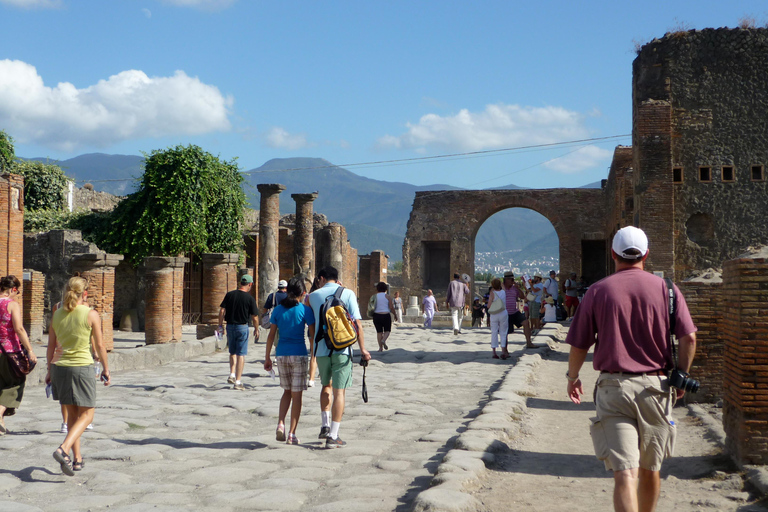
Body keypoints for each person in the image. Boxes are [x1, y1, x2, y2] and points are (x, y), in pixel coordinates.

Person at [566, 226, 697, 512]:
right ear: (646, 254)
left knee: (624, 472)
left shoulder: (597, 291)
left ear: (613, 254)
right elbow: (689, 338)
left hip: (614, 388)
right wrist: (681, 376)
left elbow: (579, 344)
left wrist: (573, 377)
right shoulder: (668, 290)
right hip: (656, 387)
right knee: (651, 469)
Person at [47, 276, 110, 476]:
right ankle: (63, 448)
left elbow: (50, 346)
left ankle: (77, 459)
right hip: (81, 367)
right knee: (88, 414)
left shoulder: (57, 314)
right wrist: (106, 369)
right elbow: (100, 345)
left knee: (73, 416)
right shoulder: (91, 314)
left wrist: (49, 370)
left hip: (59, 368)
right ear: (85, 294)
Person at [308, 266, 371, 448]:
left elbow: (311, 324)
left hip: (321, 349)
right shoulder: (348, 293)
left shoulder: (312, 297)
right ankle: (333, 435)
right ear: (337, 278)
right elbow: (357, 324)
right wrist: (363, 349)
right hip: (342, 349)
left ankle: (325, 425)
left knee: (325, 385)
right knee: (339, 391)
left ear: (321, 278)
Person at [263, 277, 315, 445]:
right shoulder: (305, 311)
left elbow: (271, 336)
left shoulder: (277, 310)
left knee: (286, 391)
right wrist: (314, 355)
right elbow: (312, 336)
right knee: (297, 395)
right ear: (302, 293)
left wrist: (267, 358)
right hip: (299, 354)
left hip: (281, 354)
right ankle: (292, 433)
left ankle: (280, 423)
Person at [0, 275, 37, 436]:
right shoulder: (12, 304)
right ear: (12, 290)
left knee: (1, 385)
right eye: (17, 292)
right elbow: (19, 329)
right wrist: (30, 350)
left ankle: (1, 422)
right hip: (9, 352)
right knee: (16, 383)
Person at [218, 274, 259, 390]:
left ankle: (232, 374)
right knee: (241, 354)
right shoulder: (250, 298)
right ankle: (238, 381)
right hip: (242, 327)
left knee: (232, 351)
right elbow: (255, 317)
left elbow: (222, 311)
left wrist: (220, 325)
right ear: (250, 285)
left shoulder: (230, 295)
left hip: (230, 326)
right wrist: (256, 329)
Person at [503, 271, 532, 348]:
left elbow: (522, 297)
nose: (513, 282)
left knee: (526, 322)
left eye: (513, 280)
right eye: (511, 280)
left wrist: (518, 288)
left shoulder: (514, 289)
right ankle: (505, 348)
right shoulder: (502, 288)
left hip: (514, 312)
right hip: (505, 313)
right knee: (505, 331)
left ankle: (529, 342)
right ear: (506, 280)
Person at [486, 278, 509, 359]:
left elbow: (488, 306)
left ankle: (494, 352)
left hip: (494, 314)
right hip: (503, 313)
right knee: (503, 332)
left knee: (494, 332)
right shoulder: (503, 292)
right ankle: (503, 351)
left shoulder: (492, 293)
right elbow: (504, 288)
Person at [371, 282, 395, 352]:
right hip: (386, 315)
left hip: (376, 315)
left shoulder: (374, 296)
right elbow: (391, 307)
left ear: (377, 289)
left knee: (379, 332)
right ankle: (383, 340)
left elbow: (371, 306)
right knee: (387, 330)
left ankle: (380, 348)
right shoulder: (387, 296)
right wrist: (395, 315)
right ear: (386, 289)